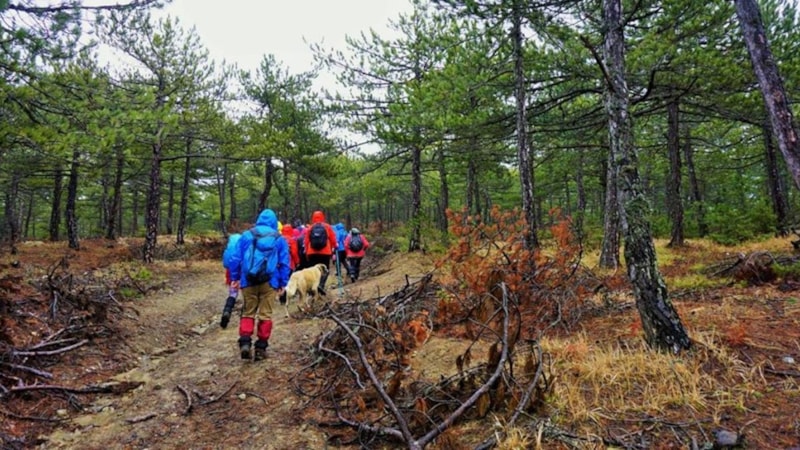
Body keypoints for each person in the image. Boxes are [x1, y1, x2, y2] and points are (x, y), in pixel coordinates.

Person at [228, 209, 290, 361]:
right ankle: (261, 347)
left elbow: (235, 258)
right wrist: (283, 283)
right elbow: (284, 263)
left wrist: (235, 278)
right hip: (270, 281)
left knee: (248, 311)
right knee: (266, 314)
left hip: (248, 280)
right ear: (275, 222)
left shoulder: (247, 235)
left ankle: (245, 343)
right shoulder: (279, 238)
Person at [303, 210, 337, 295]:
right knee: (325, 270)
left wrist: (307, 252)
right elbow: (333, 239)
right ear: (323, 217)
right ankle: (320, 285)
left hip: (312, 252)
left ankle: (313, 288)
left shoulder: (310, 228)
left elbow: (306, 241)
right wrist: (335, 246)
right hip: (325, 252)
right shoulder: (327, 227)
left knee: (313, 271)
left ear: (313, 218)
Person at [220, 232, 242, 329]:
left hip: (230, 271)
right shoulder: (243, 248)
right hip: (242, 271)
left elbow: (225, 264)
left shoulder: (228, 250)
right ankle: (244, 317)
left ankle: (227, 311)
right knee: (246, 294)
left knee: (232, 293)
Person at [278, 223, 300, 306]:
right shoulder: (292, 240)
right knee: (288, 281)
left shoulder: (279, 239)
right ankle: (286, 297)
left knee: (280, 280)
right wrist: (297, 262)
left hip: (279, 263)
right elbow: (294, 253)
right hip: (289, 264)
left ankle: (281, 297)